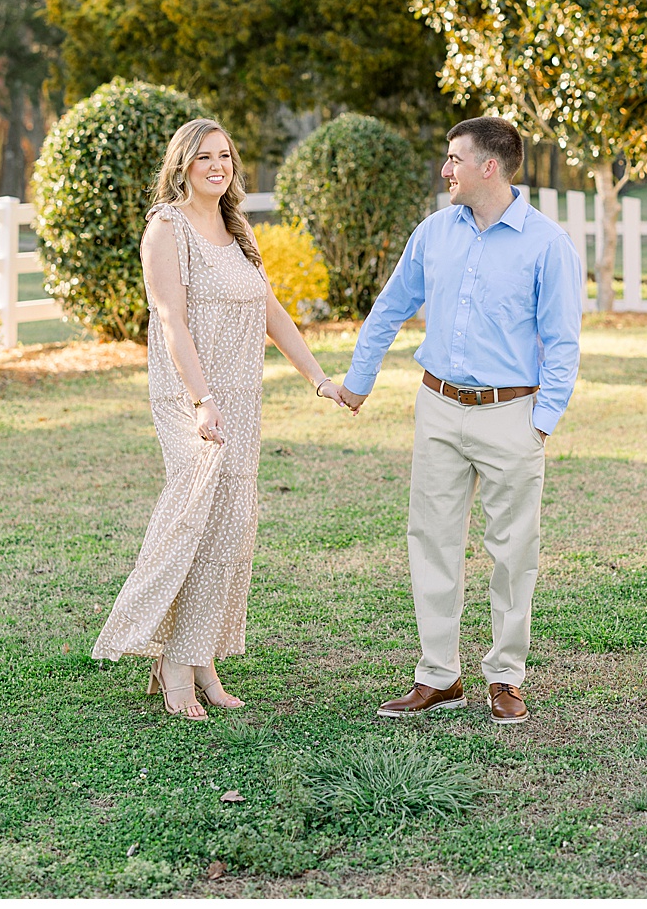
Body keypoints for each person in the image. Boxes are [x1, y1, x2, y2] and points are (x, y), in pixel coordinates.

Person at [93, 119, 346, 718]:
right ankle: (175, 662)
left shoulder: (236, 229)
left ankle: (197, 653)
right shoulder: (166, 227)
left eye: (226, 155)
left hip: (242, 397)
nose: (218, 165)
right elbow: (171, 321)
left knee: (232, 521)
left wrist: (318, 378)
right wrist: (202, 399)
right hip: (191, 394)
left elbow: (272, 311)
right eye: (204, 156)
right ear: (182, 165)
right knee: (195, 516)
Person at [336, 117, 582, 725]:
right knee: (432, 541)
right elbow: (390, 306)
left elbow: (563, 341)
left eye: (454, 159)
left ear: (489, 166)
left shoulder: (546, 244)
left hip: (511, 414)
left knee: (512, 551)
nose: (445, 170)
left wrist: (540, 423)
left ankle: (504, 676)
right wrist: (357, 383)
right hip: (438, 408)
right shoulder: (433, 233)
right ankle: (438, 678)